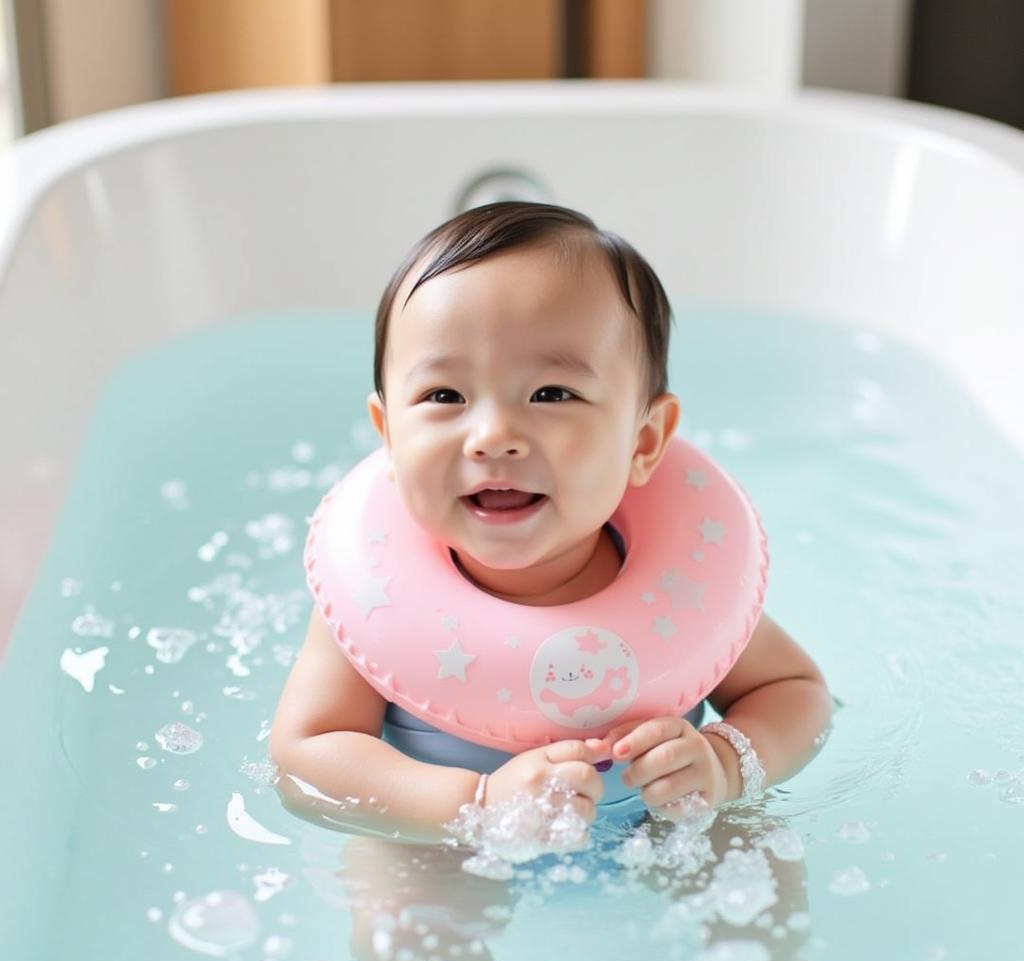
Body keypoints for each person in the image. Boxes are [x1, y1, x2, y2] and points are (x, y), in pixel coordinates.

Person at [270, 201, 832, 845]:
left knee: (746, 857)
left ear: (644, 442)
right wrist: (477, 805)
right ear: (389, 438)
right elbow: (307, 754)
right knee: (402, 902)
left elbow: (798, 691)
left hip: (656, 821)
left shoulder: (685, 593)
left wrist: (726, 764)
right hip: (450, 841)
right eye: (444, 396)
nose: (493, 436)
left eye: (551, 394)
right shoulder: (373, 597)